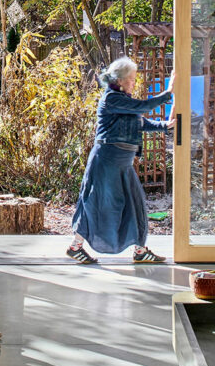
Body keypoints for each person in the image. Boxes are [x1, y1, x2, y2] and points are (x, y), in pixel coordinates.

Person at [67, 56, 175, 264]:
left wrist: (165, 126)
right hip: (106, 160)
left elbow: (139, 122)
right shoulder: (111, 99)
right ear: (121, 80)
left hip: (123, 163)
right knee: (96, 202)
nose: (135, 82)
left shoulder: (124, 102)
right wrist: (168, 93)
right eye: (132, 79)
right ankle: (75, 246)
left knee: (135, 203)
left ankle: (140, 250)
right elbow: (142, 107)